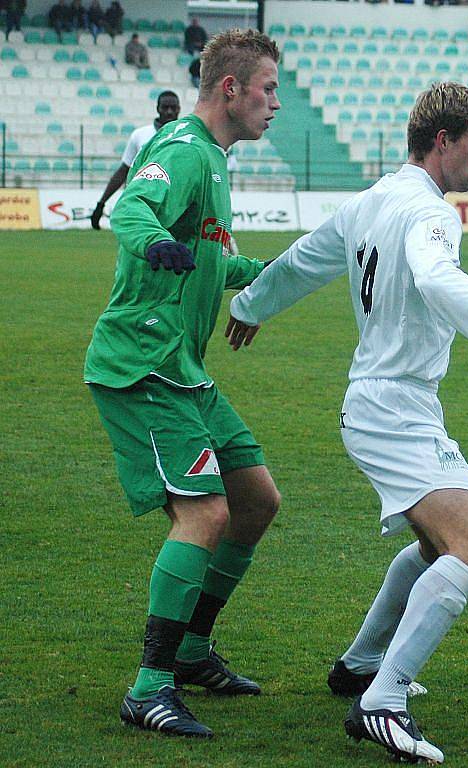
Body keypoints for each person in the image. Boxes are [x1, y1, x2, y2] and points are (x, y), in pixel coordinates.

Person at [226, 81, 468, 763]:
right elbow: (440, 281)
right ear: (442, 141)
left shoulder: (371, 200)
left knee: (433, 549)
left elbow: (306, 257)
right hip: (393, 408)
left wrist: (251, 303)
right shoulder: (432, 215)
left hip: (387, 402)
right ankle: (382, 702)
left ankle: (359, 666)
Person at [84, 28, 281, 738]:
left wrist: (273, 276)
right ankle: (149, 685)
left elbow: (213, 262)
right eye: (267, 89)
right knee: (205, 515)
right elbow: (136, 209)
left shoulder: (218, 162)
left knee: (255, 500)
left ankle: (193, 652)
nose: (275, 104)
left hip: (184, 370)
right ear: (230, 88)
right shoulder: (181, 149)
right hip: (142, 364)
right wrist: (153, 241)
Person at [90, 91, 180, 229]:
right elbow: (123, 171)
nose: (169, 112)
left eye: (173, 108)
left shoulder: (186, 136)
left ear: (179, 109)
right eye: (165, 107)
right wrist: (101, 203)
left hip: (174, 204)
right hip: (143, 202)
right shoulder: (140, 135)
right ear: (157, 109)